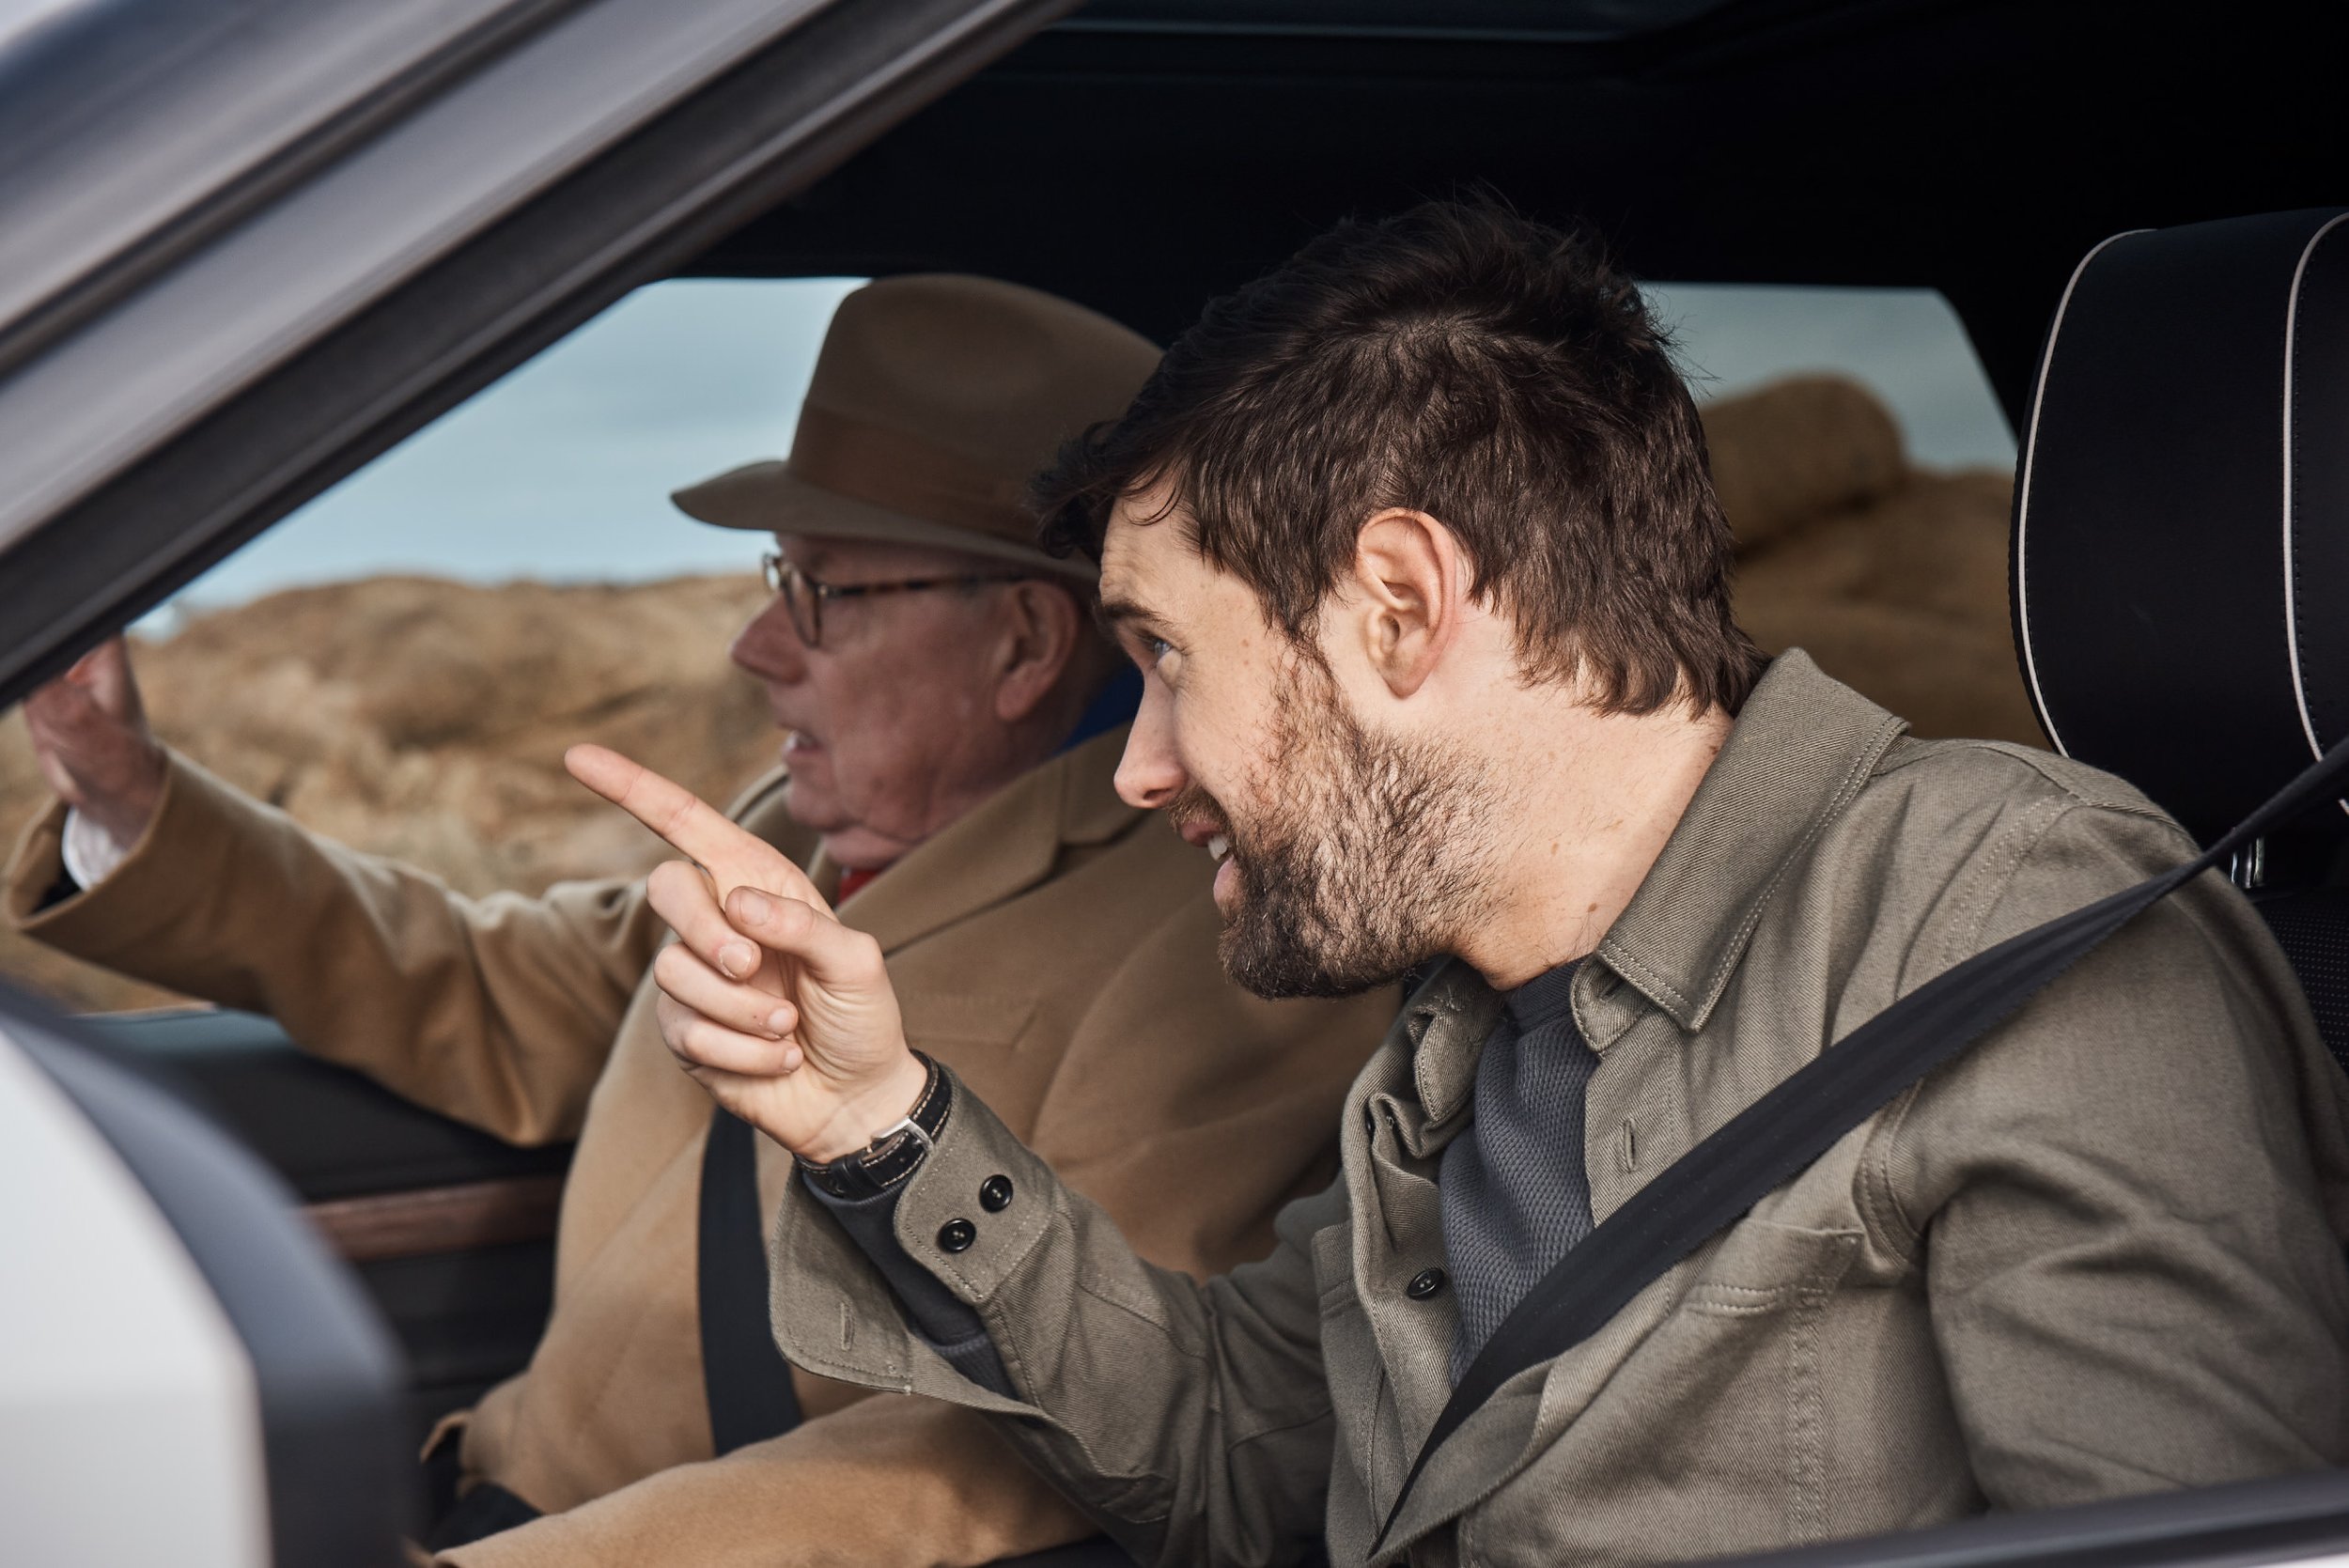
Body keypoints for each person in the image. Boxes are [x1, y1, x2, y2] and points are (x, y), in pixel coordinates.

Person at [588, 205, 2349, 1567]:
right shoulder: (1456, 1038)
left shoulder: (2003, 926)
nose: (1140, 765)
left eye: (1169, 657)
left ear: (1402, 606)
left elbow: (2211, 1546)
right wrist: (878, 1125)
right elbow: (1224, 1440)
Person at [3, 275, 1398, 1566]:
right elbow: (495, 991)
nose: (756, 647)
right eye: (774, 581)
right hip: (488, 1500)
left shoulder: (1226, 935)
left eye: (822, 591)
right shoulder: (796, 831)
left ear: (1026, 643)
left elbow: (1050, 1436)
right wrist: (132, 799)